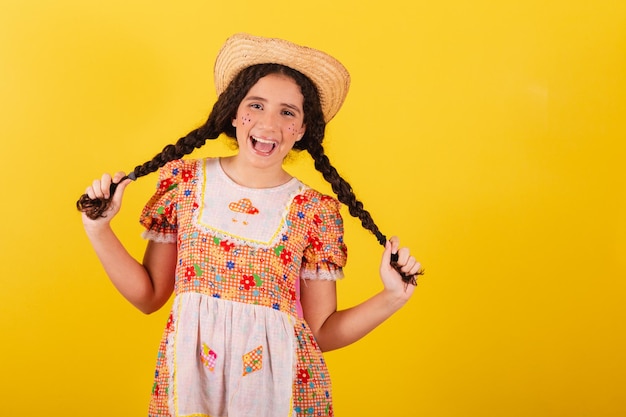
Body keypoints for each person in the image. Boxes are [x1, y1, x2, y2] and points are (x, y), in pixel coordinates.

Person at [78, 33, 423, 417]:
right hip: (192, 389)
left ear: (303, 129)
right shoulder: (185, 183)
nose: (268, 123)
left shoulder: (315, 211)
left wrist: (393, 296)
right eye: (255, 105)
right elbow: (150, 296)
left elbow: (322, 332)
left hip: (281, 395)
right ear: (234, 113)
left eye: (287, 112)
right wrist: (99, 229)